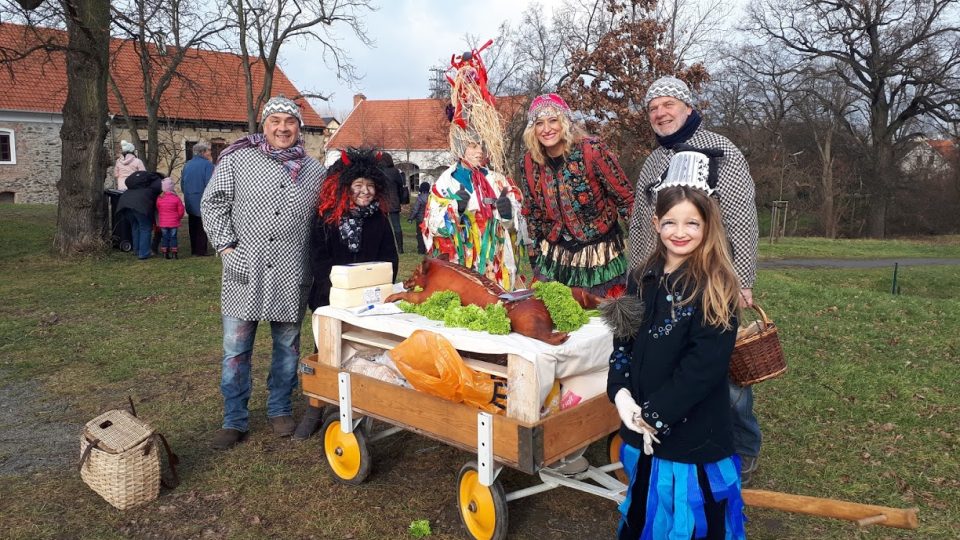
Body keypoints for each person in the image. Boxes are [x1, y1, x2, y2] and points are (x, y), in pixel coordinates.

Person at [603, 155, 746, 539]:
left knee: (691, 521)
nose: (679, 232)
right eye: (670, 222)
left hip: (690, 440)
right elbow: (623, 342)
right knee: (646, 513)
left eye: (691, 223)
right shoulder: (640, 278)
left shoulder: (716, 287)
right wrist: (620, 394)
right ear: (655, 224)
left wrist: (656, 414)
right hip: (640, 433)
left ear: (707, 225)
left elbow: (704, 367)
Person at [628, 76, 762, 485]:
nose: (660, 113)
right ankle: (672, 427)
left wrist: (742, 278)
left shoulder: (722, 151)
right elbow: (639, 224)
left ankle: (742, 442)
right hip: (663, 276)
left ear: (688, 108)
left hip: (712, 276)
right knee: (670, 358)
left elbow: (741, 217)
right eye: (653, 108)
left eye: (669, 104)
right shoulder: (653, 162)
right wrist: (638, 278)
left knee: (720, 365)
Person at [201, 95, 325, 450]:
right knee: (236, 350)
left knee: (287, 347)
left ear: (299, 127)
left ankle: (280, 408)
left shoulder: (314, 172)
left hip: (291, 272)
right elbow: (213, 203)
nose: (283, 128)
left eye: (290, 121)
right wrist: (226, 247)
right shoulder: (237, 160)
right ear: (264, 124)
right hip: (245, 269)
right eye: (276, 121)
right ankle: (234, 418)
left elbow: (327, 217)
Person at [293, 147, 400, 440]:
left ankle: (355, 402)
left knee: (361, 351)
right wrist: (340, 289)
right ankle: (316, 408)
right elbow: (318, 258)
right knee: (325, 353)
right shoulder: (326, 218)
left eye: (369, 186)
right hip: (330, 299)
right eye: (358, 185)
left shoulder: (378, 218)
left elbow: (390, 260)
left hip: (368, 304)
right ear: (345, 187)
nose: (365, 191)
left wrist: (374, 287)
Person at [422, 43, 525, 290]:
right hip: (463, 269)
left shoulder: (498, 180)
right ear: (460, 146)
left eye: (482, 146)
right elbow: (430, 227)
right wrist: (453, 210)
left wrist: (508, 213)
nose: (479, 151)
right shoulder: (446, 182)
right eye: (472, 146)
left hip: (496, 269)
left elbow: (517, 226)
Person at [519, 93, 634, 297]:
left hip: (599, 257)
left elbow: (626, 199)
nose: (547, 129)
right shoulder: (529, 162)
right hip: (555, 258)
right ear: (532, 129)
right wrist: (535, 256)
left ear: (565, 122)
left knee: (603, 318)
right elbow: (533, 212)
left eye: (553, 120)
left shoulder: (592, 151)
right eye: (539, 123)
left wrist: (643, 248)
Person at [115, 170, 162, 260]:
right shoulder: (154, 186)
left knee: (135, 226)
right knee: (145, 228)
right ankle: (144, 253)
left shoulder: (136, 186)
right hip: (140, 206)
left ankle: (137, 250)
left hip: (125, 204)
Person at [181, 141, 215, 256]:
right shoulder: (208, 165)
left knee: (193, 225)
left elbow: (182, 183)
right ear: (203, 152)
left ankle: (194, 249)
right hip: (202, 197)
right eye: (208, 150)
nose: (210, 152)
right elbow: (210, 183)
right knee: (201, 225)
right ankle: (201, 250)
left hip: (189, 198)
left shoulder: (187, 164)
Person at [379, 152, 406, 254]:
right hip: (394, 201)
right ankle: (400, 248)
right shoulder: (395, 172)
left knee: (382, 226)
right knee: (397, 226)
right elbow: (400, 186)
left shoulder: (379, 171)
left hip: (382, 202)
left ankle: (384, 246)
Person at [156, 177, 185, 259]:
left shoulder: (160, 198)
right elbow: (181, 210)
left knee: (165, 237)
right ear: (172, 187)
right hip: (174, 222)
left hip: (163, 222)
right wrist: (178, 217)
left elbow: (158, 208)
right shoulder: (176, 198)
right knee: (173, 237)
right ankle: (174, 253)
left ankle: (165, 253)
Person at [408, 181, 430, 255]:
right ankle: (428, 249)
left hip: (420, 220)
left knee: (420, 235)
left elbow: (415, 210)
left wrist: (411, 218)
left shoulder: (420, 198)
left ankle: (421, 250)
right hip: (429, 219)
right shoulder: (431, 197)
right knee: (428, 235)